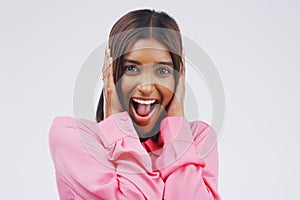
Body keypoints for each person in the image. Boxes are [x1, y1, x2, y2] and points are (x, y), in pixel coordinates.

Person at [49, 9, 221, 199]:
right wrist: (116, 122)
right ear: (111, 72)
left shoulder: (198, 138)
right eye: (131, 68)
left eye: (162, 71)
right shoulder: (74, 137)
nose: (147, 87)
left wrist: (176, 125)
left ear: (178, 76)